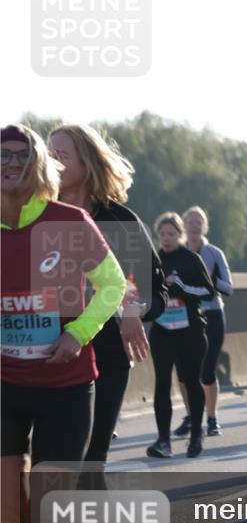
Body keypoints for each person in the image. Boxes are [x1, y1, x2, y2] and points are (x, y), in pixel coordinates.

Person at [2, 124, 127, 523]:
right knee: (8, 522)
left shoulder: (69, 221)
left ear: (37, 164)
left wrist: (77, 334)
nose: (9, 163)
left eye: (19, 155)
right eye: (0, 156)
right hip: (4, 386)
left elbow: (113, 284)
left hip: (66, 384)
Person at [49, 124, 169, 468]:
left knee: (91, 458)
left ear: (86, 164)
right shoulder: (36, 216)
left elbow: (153, 291)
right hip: (49, 350)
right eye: (49, 155)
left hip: (107, 354)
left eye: (61, 155)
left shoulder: (119, 220)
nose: (52, 162)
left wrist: (133, 309)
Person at [147, 212, 215, 459]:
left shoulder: (191, 259)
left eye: (171, 234)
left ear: (180, 234)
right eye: (162, 234)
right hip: (163, 332)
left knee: (191, 380)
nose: (166, 239)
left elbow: (209, 292)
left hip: (191, 331)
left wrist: (182, 286)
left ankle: (197, 432)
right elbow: (141, 293)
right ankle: (163, 440)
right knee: (162, 383)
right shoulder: (152, 260)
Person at [173, 206, 233, 438]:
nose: (194, 225)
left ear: (204, 226)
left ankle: (211, 418)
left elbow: (229, 288)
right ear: (183, 226)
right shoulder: (175, 253)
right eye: (190, 221)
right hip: (182, 318)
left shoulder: (214, 254)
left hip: (212, 315)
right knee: (182, 372)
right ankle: (191, 417)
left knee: (206, 371)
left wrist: (210, 279)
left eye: (199, 222)